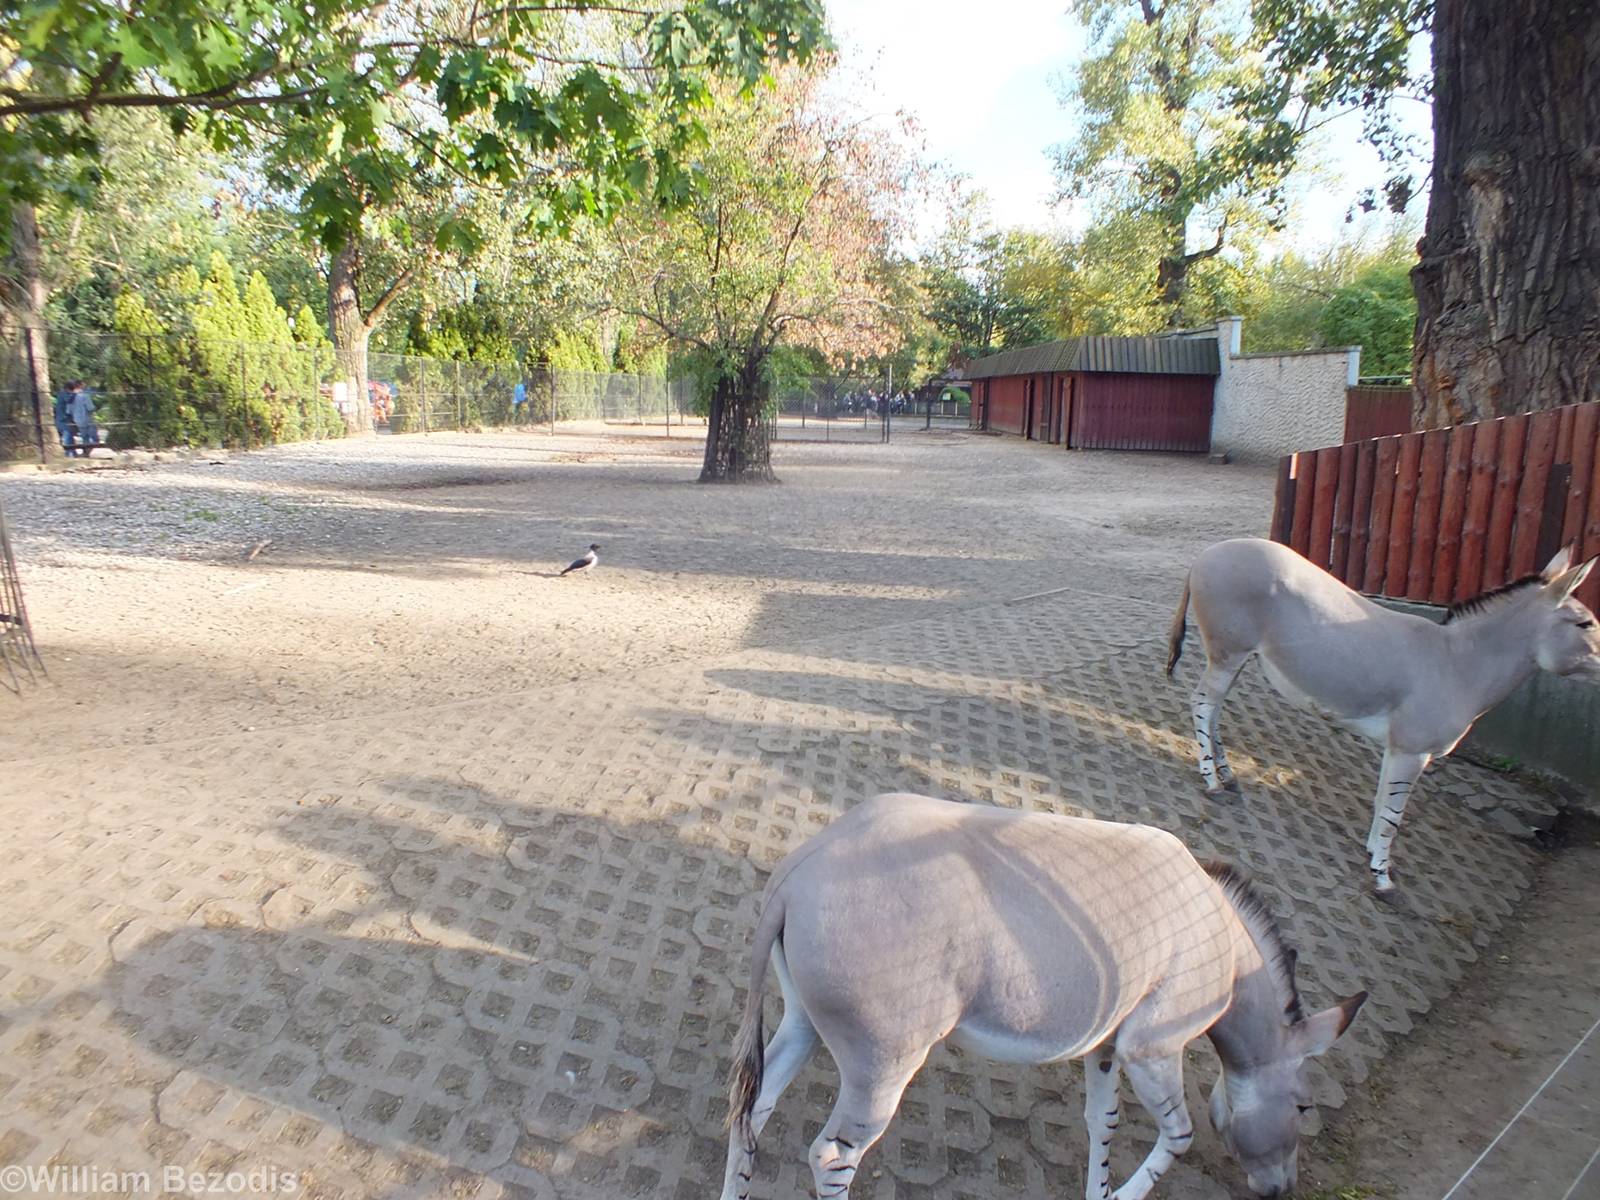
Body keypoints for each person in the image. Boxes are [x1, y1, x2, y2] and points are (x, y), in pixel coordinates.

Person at [70, 381, 97, 456]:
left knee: (85, 437)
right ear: (81, 386)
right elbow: (90, 408)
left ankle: (85, 452)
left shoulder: (72, 396)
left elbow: (69, 410)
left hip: (77, 419)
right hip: (87, 419)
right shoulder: (85, 395)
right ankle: (87, 451)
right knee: (95, 438)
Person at [53, 381, 75, 454]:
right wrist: (75, 394)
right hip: (62, 418)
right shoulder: (63, 393)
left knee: (69, 435)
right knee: (67, 435)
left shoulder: (62, 393)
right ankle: (68, 452)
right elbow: (68, 400)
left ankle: (73, 452)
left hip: (63, 417)